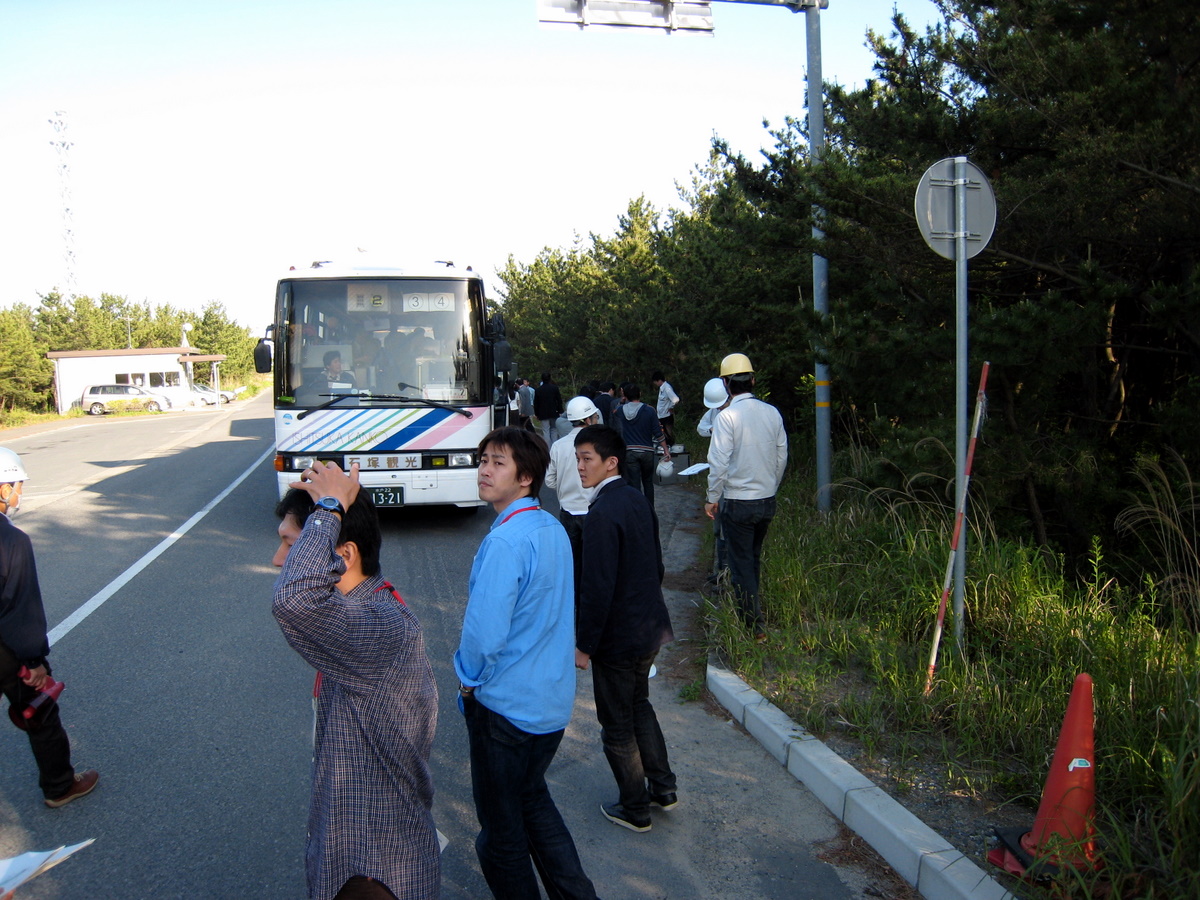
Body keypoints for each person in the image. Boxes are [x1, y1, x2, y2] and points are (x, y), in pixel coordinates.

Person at [272, 460, 439, 900]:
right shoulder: (363, 613)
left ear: (343, 555)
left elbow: (293, 601)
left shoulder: (379, 625)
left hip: (372, 869)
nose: (278, 560)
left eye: (290, 545)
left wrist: (329, 507)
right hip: (361, 854)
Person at [454, 427, 598, 900]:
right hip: (550, 706)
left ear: (526, 477)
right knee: (533, 802)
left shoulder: (506, 541)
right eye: (483, 460)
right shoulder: (552, 528)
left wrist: (469, 683)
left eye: (498, 462)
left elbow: (483, 637)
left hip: (506, 711)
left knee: (501, 839)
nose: (485, 470)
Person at [573, 425, 677, 833]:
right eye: (578, 459)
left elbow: (596, 588)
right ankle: (663, 788)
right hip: (649, 627)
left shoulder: (601, 514)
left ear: (611, 462)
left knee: (617, 723)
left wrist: (585, 645)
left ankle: (635, 808)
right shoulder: (636, 499)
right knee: (639, 705)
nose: (580, 467)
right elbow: (657, 565)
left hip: (618, 638)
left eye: (587, 459)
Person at [0, 447, 100, 809]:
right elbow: (19, 608)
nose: (19, 494)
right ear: (3, 488)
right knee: (40, 712)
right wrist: (35, 661)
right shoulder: (11, 540)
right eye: (17, 486)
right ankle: (60, 786)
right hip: (6, 653)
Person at [705, 353, 788, 642]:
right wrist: (770, 486)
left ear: (726, 384)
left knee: (740, 563)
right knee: (753, 558)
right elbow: (781, 455)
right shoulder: (772, 412)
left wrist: (712, 497)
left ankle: (754, 626)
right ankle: (754, 612)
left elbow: (718, 463)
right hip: (766, 500)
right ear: (752, 380)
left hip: (739, 501)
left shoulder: (726, 417)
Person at [545, 396, 601, 606]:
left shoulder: (558, 446)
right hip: (593, 512)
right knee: (594, 565)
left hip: (567, 513)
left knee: (571, 565)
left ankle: (571, 607)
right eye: (595, 417)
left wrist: (565, 486)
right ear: (587, 420)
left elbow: (550, 480)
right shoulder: (597, 445)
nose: (597, 419)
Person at [615, 383, 670, 509]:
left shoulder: (621, 410)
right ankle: (650, 509)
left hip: (630, 452)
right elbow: (658, 432)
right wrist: (665, 449)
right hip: (647, 452)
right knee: (648, 482)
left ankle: (638, 510)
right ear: (640, 394)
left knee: (634, 484)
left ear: (625, 396)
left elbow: (614, 411)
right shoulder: (649, 410)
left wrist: (621, 401)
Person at [697, 377, 731, 582]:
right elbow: (701, 428)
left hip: (732, 480)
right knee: (719, 529)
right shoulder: (714, 412)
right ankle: (721, 571)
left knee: (729, 530)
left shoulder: (737, 413)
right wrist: (712, 430)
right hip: (720, 480)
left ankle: (727, 575)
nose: (719, 408)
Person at [533, 372, 564, 447]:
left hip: (543, 413)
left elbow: (536, 403)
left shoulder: (538, 390)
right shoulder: (554, 388)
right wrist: (560, 410)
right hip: (554, 412)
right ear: (550, 378)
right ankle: (554, 447)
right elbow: (559, 400)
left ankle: (548, 448)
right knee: (554, 430)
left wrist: (537, 414)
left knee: (546, 431)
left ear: (542, 379)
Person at [651, 371, 680, 446]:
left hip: (667, 416)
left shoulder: (667, 388)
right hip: (661, 416)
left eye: (656, 382)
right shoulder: (662, 389)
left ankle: (671, 448)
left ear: (659, 380)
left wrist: (670, 407)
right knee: (663, 435)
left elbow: (676, 399)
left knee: (668, 435)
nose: (656, 384)